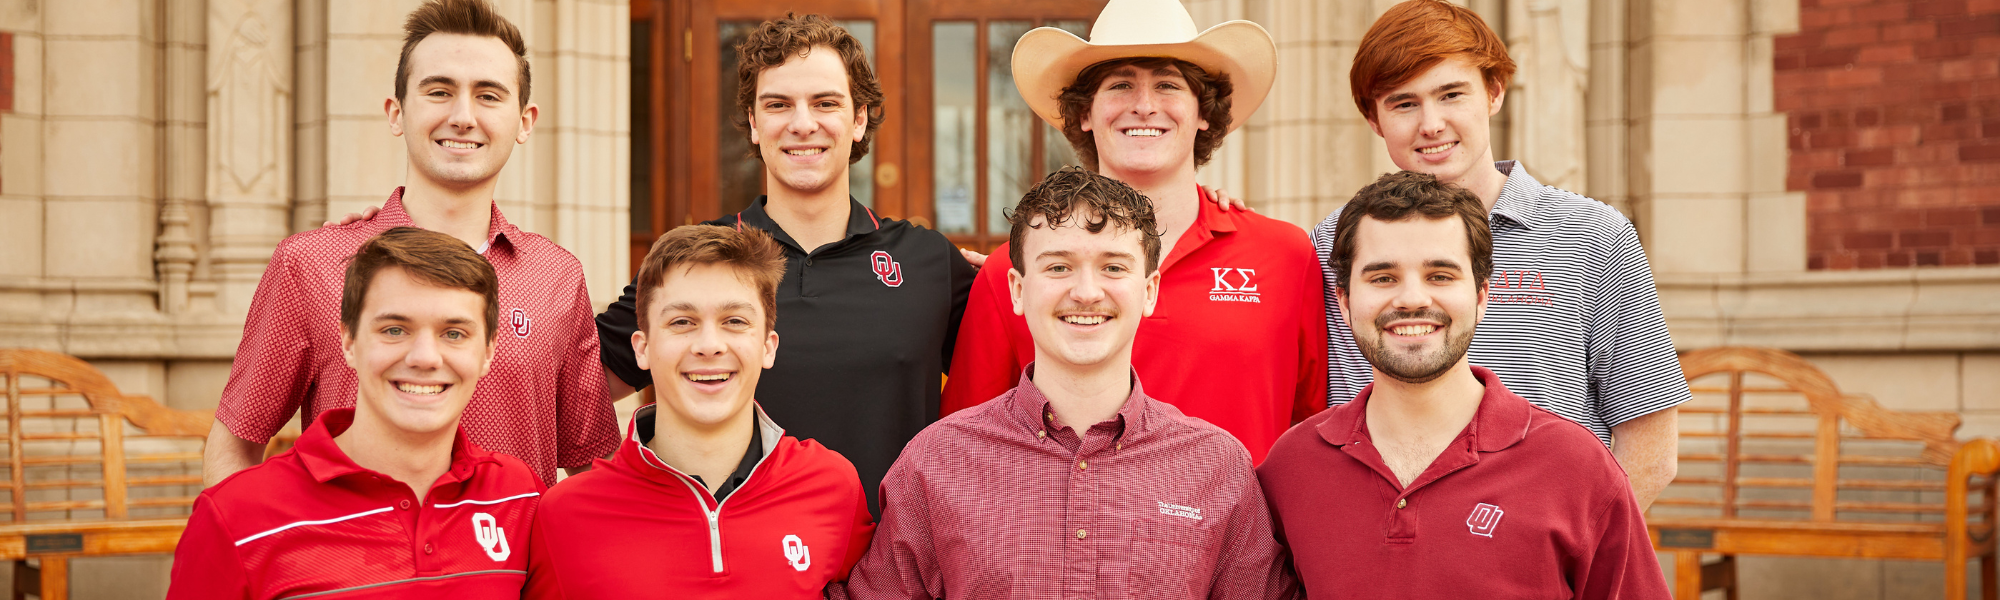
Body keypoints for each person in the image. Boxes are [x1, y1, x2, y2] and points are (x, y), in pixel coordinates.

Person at [203, 0, 618, 488]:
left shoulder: (556, 278)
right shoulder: (312, 265)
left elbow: (593, 470)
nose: (463, 117)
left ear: (524, 121)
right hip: (355, 562)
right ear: (396, 112)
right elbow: (235, 446)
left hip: (512, 564)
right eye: (439, 91)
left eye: (488, 95)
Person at [837, 167, 1297, 600]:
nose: (1086, 291)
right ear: (1017, 290)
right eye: (1058, 267)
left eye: (1114, 267)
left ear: (1150, 290)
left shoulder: (1217, 466)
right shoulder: (934, 463)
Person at [594, 15, 975, 514]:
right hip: (738, 566)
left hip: (893, 574)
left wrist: (1026, 280)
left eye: (825, 103)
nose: (802, 123)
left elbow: (1024, 380)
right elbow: (576, 387)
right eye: (778, 105)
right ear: (753, 123)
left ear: (859, 118)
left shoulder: (928, 261)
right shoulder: (693, 262)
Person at [1316, 0, 1687, 507]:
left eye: (1451, 95)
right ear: (1374, 119)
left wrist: (1572, 559)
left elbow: (1651, 444)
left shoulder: (1590, 235)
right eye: (1404, 104)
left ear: (1493, 92)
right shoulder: (1329, 244)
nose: (1431, 123)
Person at [943, 0, 1327, 465]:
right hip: (1066, 534)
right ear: (1085, 113)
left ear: (1203, 112)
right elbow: (965, 447)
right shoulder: (1012, 270)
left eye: (1167, 84)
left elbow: (1316, 432)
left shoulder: (1284, 255)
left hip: (1240, 534)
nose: (1144, 106)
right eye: (1121, 84)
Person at [1258, 172, 1670, 598]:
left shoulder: (1576, 468)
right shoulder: (1291, 469)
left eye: (1440, 276)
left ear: (1481, 295)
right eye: (1383, 278)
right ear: (1344, 302)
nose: (1412, 299)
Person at [168, 227, 544, 598]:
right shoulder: (235, 515)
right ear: (348, 341)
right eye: (395, 330)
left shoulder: (519, 497)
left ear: (489, 351)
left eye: (454, 334)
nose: (425, 358)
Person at [527, 225, 873, 598]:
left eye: (734, 321)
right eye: (682, 322)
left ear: (768, 346)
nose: (709, 345)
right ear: (641, 349)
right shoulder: (564, 516)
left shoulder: (833, 488)